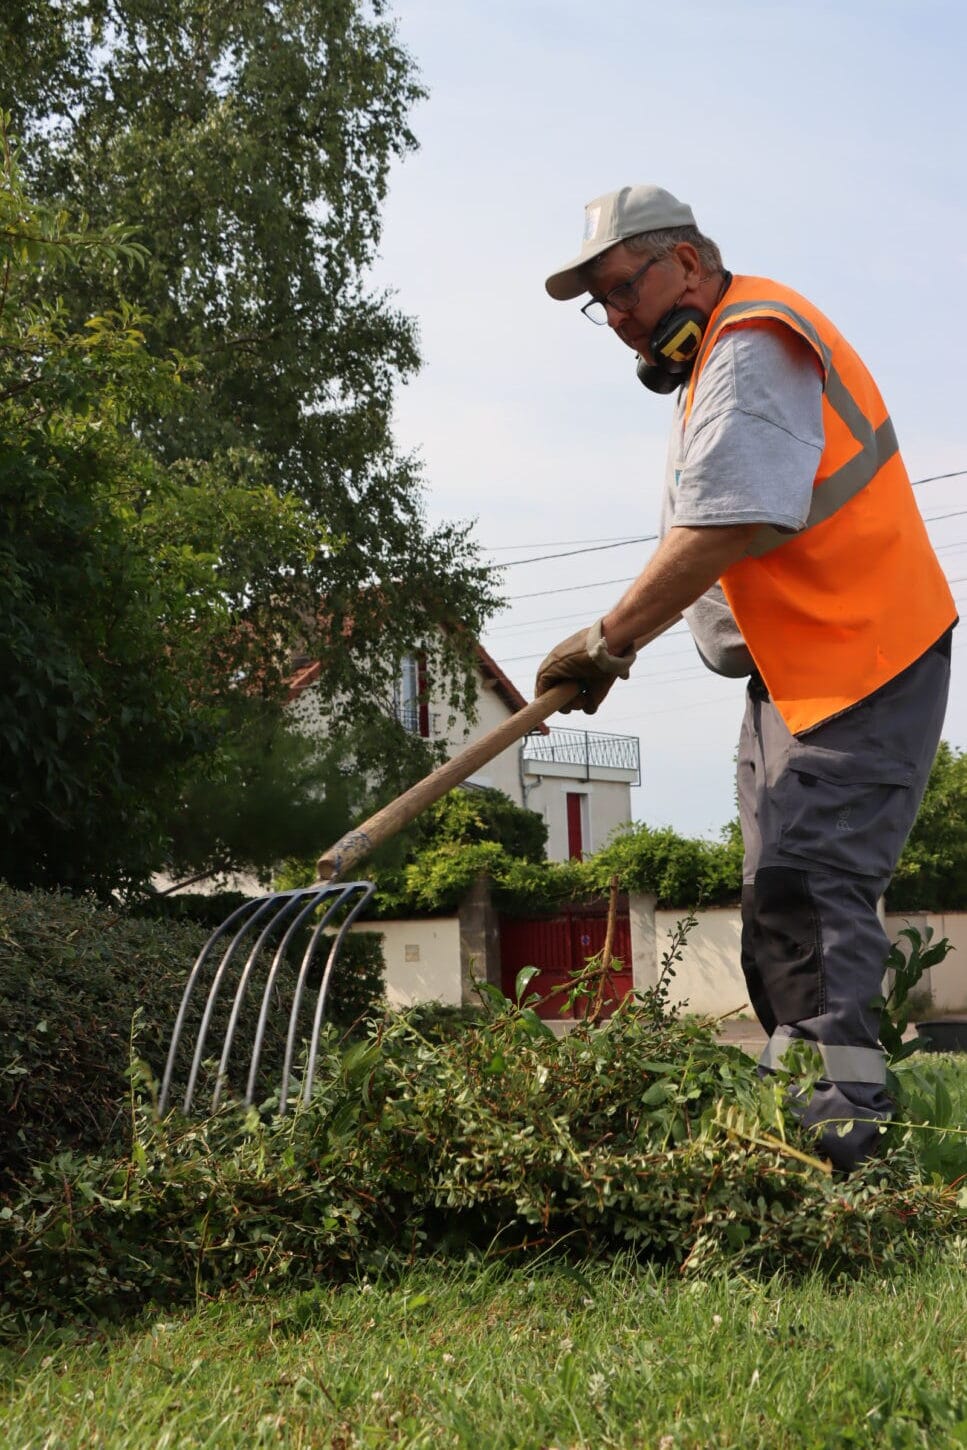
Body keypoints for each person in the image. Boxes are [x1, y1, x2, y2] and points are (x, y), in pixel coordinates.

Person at [535, 184, 956, 1171]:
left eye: (620, 289)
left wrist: (608, 638)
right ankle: (795, 1094)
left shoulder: (754, 341)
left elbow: (735, 521)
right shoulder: (712, 366)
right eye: (600, 306)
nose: (617, 319)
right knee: (776, 892)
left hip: (865, 657)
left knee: (814, 888)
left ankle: (843, 1121)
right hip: (796, 673)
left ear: (684, 261)